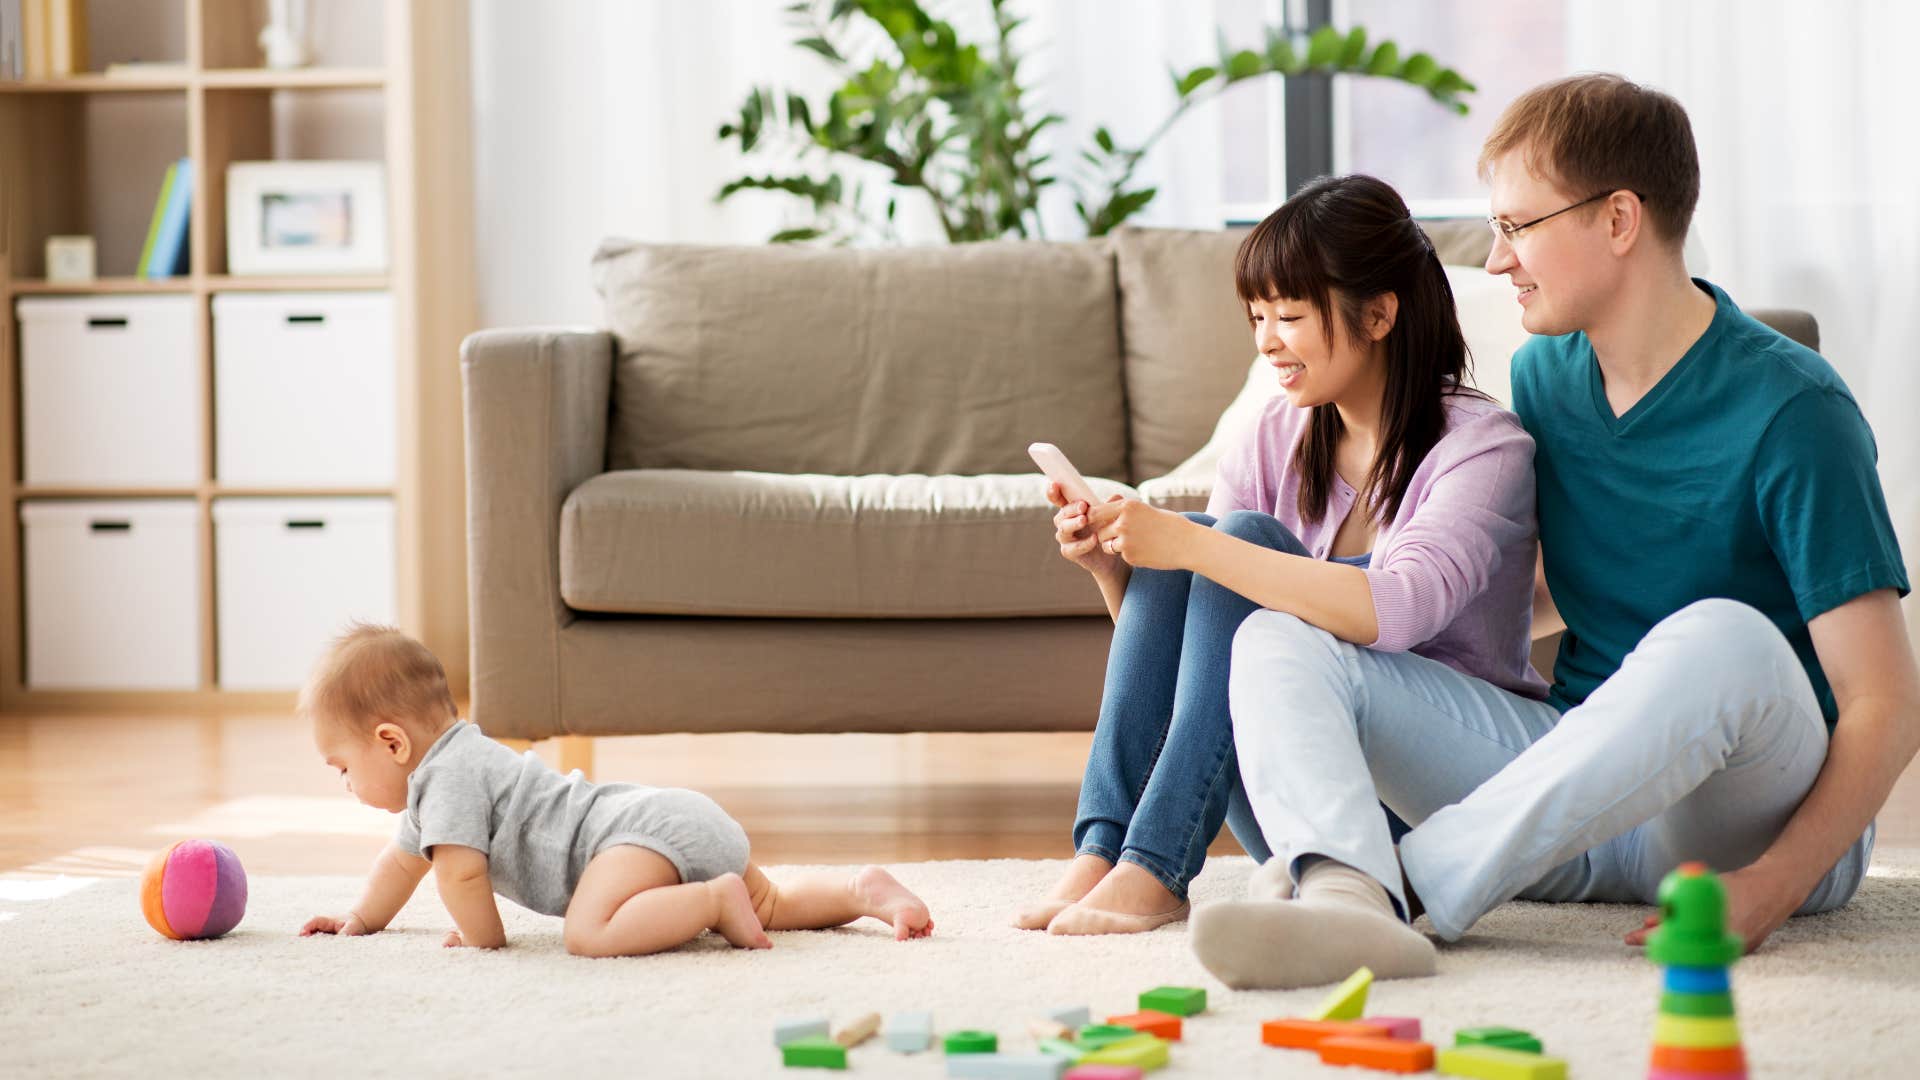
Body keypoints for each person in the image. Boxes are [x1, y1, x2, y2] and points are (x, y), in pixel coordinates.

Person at [1199, 73, 1916, 990]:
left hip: (1743, 817)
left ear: (1619, 221)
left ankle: (1412, 889)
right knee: (1279, 637)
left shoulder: (1794, 409)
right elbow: (1526, 601)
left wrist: (1774, 885)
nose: (1497, 263)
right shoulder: (1544, 379)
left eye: (1516, 227)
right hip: (1575, 796)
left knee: (1718, 632)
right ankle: (1347, 899)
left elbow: (1888, 703)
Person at [1013, 174, 1544, 947]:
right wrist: (1116, 566)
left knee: (1236, 541)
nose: (1266, 341)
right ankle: (1106, 848)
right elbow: (1196, 657)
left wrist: (1195, 544)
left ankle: (1157, 868)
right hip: (1301, 793)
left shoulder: (1483, 449)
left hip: (1435, 798)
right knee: (1208, 539)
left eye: (1289, 316)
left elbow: (1398, 610)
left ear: (1379, 314)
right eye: (1257, 316)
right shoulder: (1274, 434)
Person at [297, 624, 933, 954]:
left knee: (588, 933)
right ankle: (862, 891)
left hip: (630, 838)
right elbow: (400, 864)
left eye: (342, 767)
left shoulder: (450, 778)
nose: (345, 784)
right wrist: (360, 919)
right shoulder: (446, 774)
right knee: (772, 905)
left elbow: (458, 877)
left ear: (391, 743)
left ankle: (712, 902)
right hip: (665, 819)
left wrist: (484, 941)